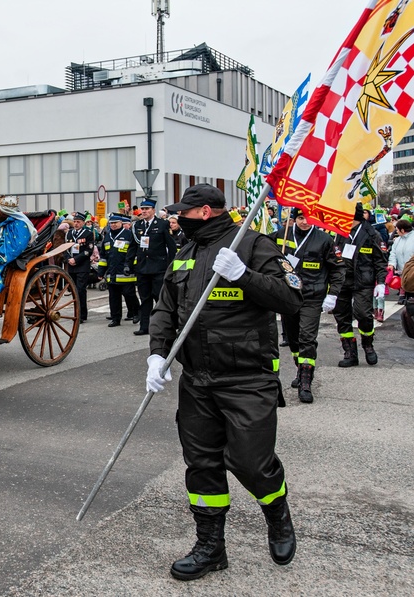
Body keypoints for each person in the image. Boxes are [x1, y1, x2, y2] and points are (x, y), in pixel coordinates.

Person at [146, 184, 303, 581]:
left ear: (204, 212)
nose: (177, 216)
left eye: (184, 211)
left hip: (247, 378)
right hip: (197, 379)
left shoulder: (252, 244)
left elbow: (290, 298)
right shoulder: (185, 252)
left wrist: (244, 275)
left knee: (251, 463)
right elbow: (166, 307)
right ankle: (211, 547)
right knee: (202, 465)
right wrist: (157, 354)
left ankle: (278, 513)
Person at [272, 208, 345, 403]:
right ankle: (300, 368)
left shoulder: (324, 239)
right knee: (294, 339)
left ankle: (306, 382)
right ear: (295, 219)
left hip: (312, 296)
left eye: (308, 218)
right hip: (288, 295)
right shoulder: (281, 234)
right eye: (301, 218)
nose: (305, 222)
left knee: (307, 338)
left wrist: (333, 294)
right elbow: (262, 253)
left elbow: (337, 268)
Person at [332, 203, 388, 367]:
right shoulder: (339, 233)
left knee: (363, 314)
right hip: (342, 281)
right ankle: (350, 352)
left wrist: (381, 282)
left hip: (363, 281)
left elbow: (380, 261)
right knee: (342, 316)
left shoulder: (372, 234)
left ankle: (368, 344)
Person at [126, 197, 177, 336]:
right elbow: (132, 247)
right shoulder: (137, 226)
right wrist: (128, 264)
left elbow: (170, 246)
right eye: (142, 209)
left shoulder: (162, 224)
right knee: (145, 298)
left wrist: (171, 266)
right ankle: (145, 326)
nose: (144, 211)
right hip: (143, 268)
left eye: (147, 209)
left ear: (153, 210)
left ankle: (164, 326)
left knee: (159, 298)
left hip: (158, 267)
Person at [97, 213, 137, 327]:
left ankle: (135, 312)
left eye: (115, 223)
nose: (113, 225)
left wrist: (131, 267)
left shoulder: (129, 235)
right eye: (111, 223)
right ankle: (116, 318)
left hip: (125, 273)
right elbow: (103, 256)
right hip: (112, 273)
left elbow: (133, 254)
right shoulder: (108, 237)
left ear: (121, 223)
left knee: (129, 294)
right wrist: (100, 271)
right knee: (114, 298)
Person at [65, 212, 95, 323]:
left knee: (81, 289)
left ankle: (82, 314)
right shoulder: (69, 234)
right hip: (71, 265)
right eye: (75, 221)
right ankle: (76, 313)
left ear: (83, 222)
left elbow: (89, 250)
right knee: (73, 290)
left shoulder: (87, 233)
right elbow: (65, 248)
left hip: (82, 265)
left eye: (78, 222)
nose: (76, 224)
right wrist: (68, 259)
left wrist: (76, 259)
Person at [387, 218, 414, 305]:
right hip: (401, 270)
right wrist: (392, 264)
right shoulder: (397, 240)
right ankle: (404, 297)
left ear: (402, 230)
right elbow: (393, 253)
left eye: (397, 229)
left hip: (412, 270)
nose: (396, 231)